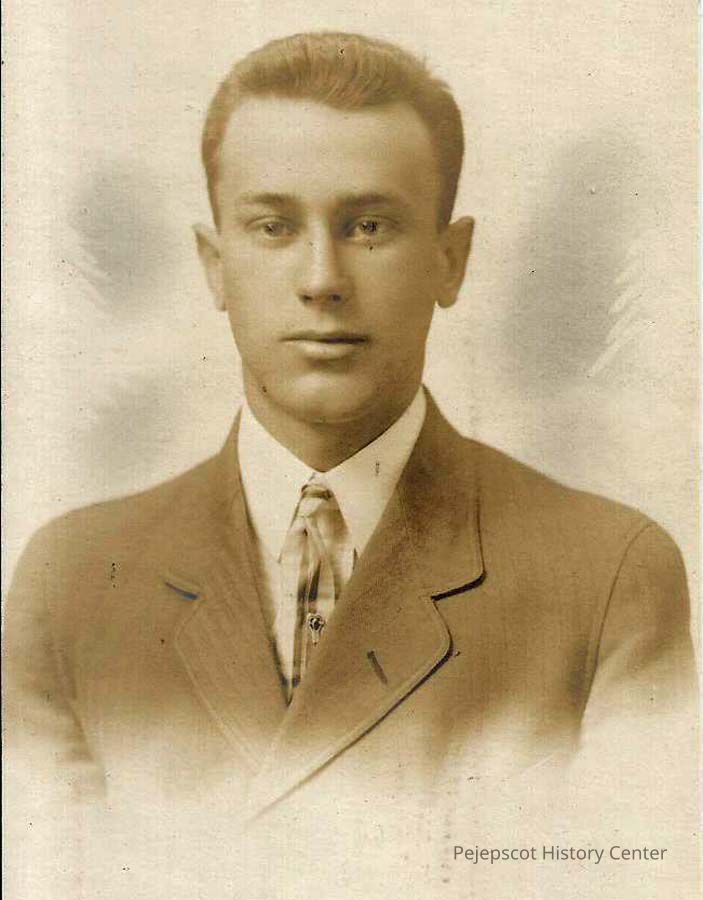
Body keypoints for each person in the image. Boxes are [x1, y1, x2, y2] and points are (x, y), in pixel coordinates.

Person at [3, 31, 698, 898]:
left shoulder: (605, 575)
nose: (321, 280)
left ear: (450, 261)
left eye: (369, 226)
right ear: (214, 266)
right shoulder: (72, 582)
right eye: (273, 227)